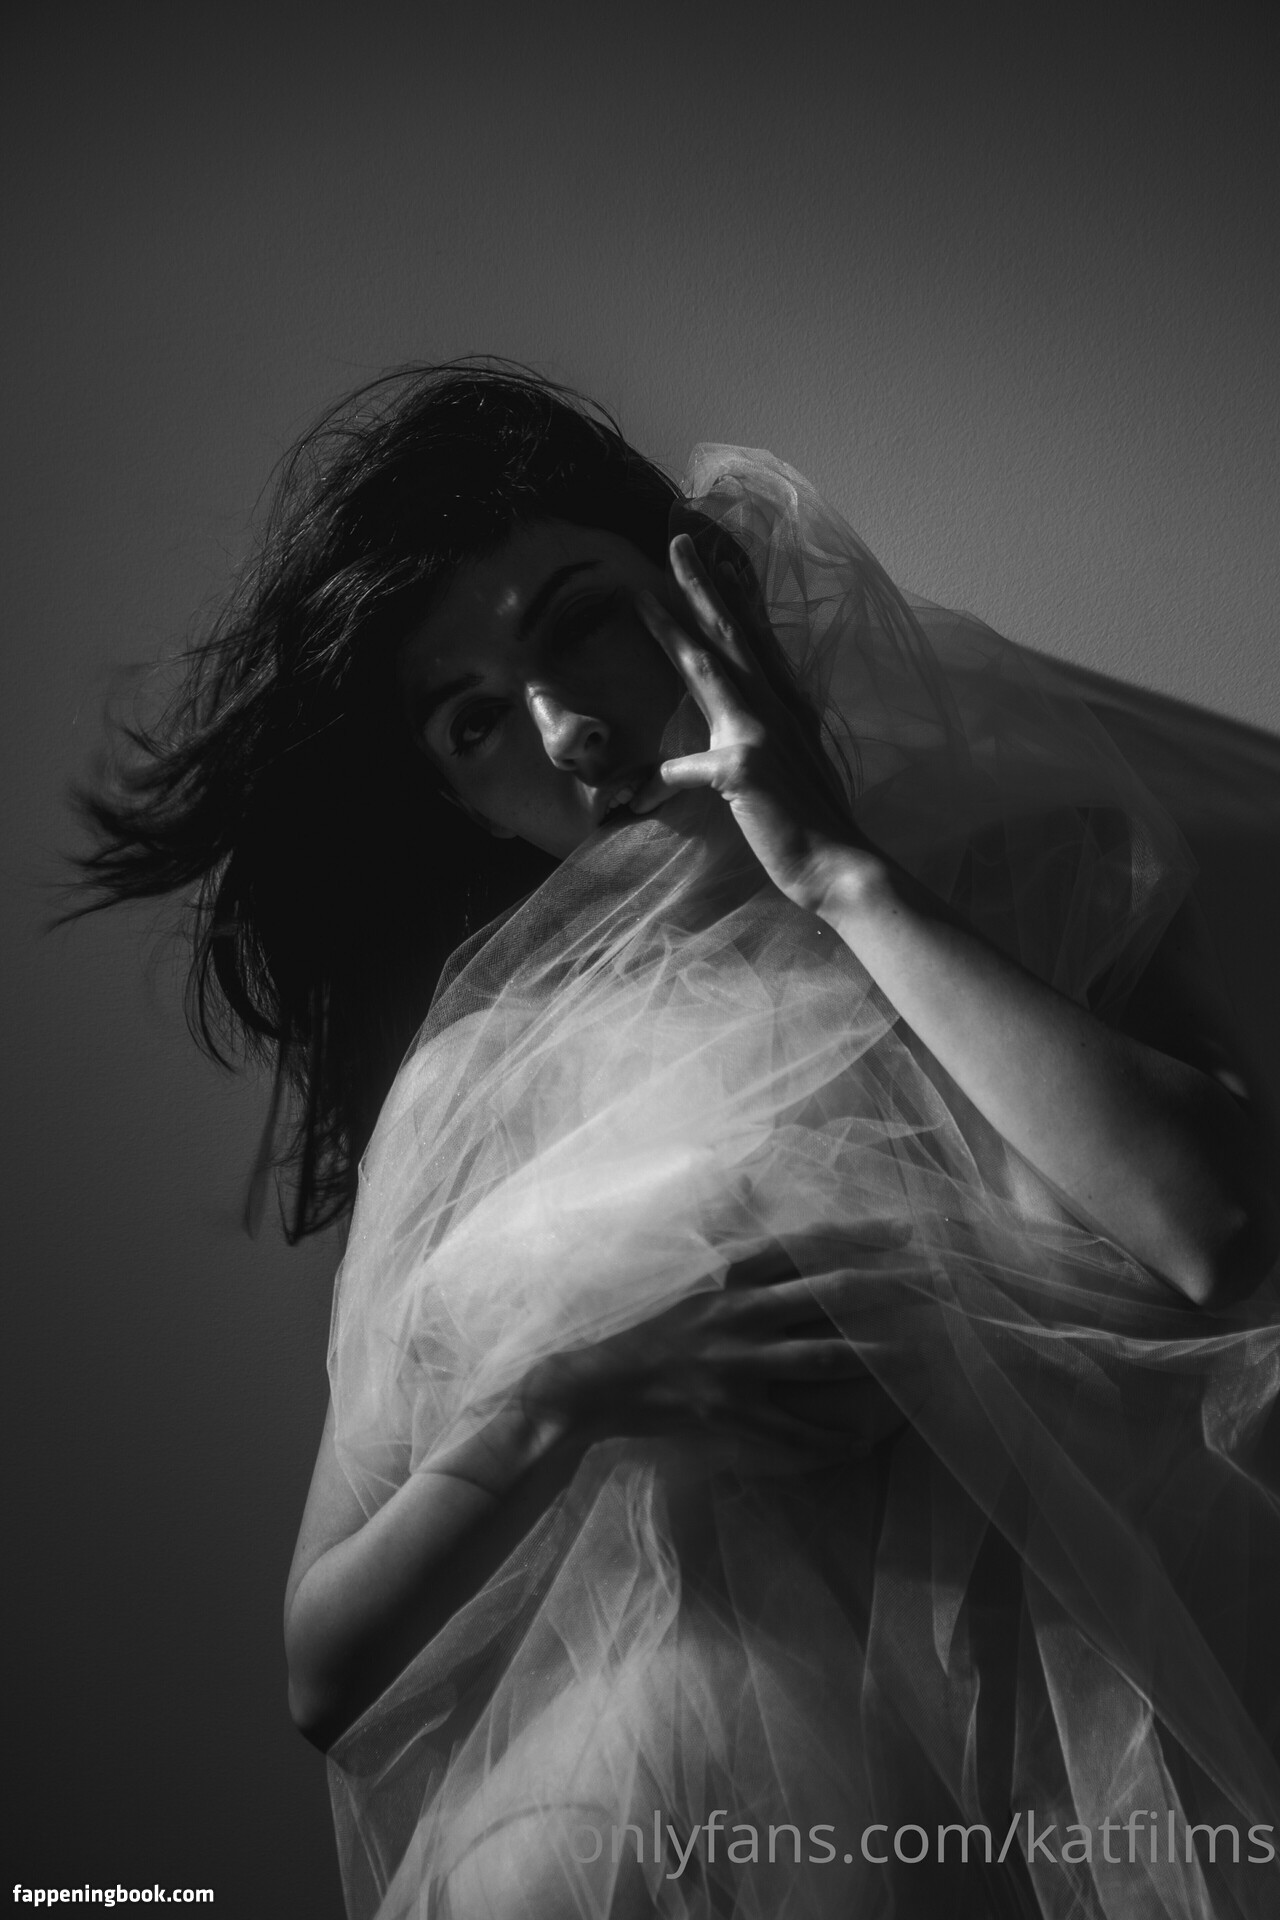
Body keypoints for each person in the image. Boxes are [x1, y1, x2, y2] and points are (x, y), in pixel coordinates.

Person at [70, 363, 1280, 1920]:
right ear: (468, 804)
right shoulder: (485, 1084)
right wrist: (574, 1395)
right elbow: (324, 1664)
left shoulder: (1029, 884)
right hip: (604, 1843)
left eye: (582, 621)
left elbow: (1214, 1235)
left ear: (709, 586)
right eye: (476, 722)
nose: (570, 731)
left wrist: (839, 876)